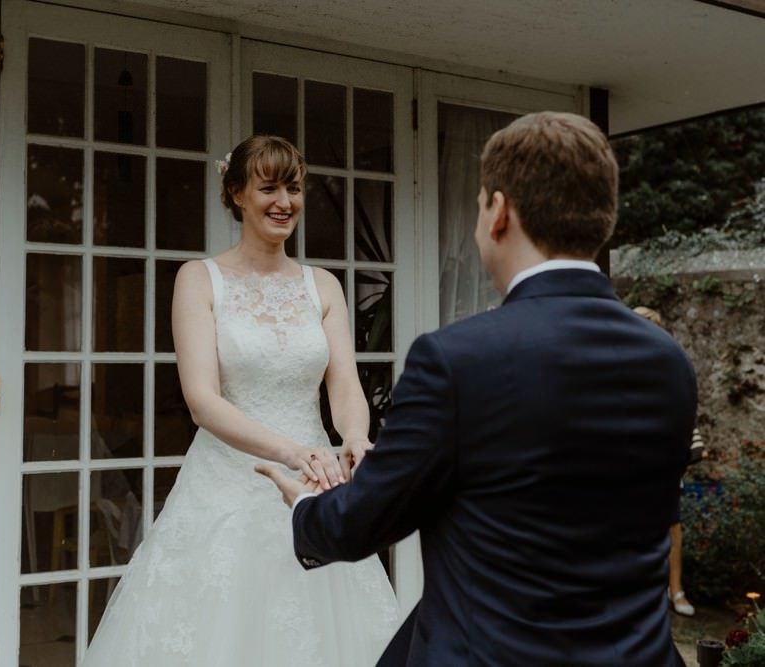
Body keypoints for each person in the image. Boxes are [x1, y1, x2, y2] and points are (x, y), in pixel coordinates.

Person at [258, 112, 697, 665]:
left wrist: (305, 507)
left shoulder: (456, 360)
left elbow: (362, 522)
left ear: (498, 212)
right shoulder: (669, 361)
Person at [82, 135, 399, 666]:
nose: (285, 202)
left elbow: (344, 386)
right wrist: (293, 453)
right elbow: (203, 402)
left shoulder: (322, 287)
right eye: (268, 187)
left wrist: (355, 436)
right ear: (235, 193)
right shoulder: (199, 280)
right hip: (226, 488)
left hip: (315, 484)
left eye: (293, 188)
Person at [633, 305, 706, 617]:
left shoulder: (668, 365)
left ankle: (675, 590)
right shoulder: (620, 366)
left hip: (662, 458)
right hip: (631, 462)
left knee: (672, 525)